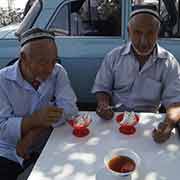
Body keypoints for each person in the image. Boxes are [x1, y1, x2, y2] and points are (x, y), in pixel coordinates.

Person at [92, 3, 180, 143]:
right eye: (137, 33)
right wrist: (103, 103)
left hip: (148, 124)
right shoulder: (114, 57)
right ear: (129, 31)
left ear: (158, 33)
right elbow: (102, 88)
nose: (143, 41)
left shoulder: (169, 62)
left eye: (150, 33)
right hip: (115, 120)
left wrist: (168, 124)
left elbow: (175, 102)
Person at [0, 28, 78, 180]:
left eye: (54, 60)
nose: (49, 68)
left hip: (46, 142)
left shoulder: (58, 72)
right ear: (23, 57)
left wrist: (34, 133)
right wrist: (34, 119)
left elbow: (70, 109)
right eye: (42, 62)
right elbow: (1, 127)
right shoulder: (2, 81)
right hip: (8, 149)